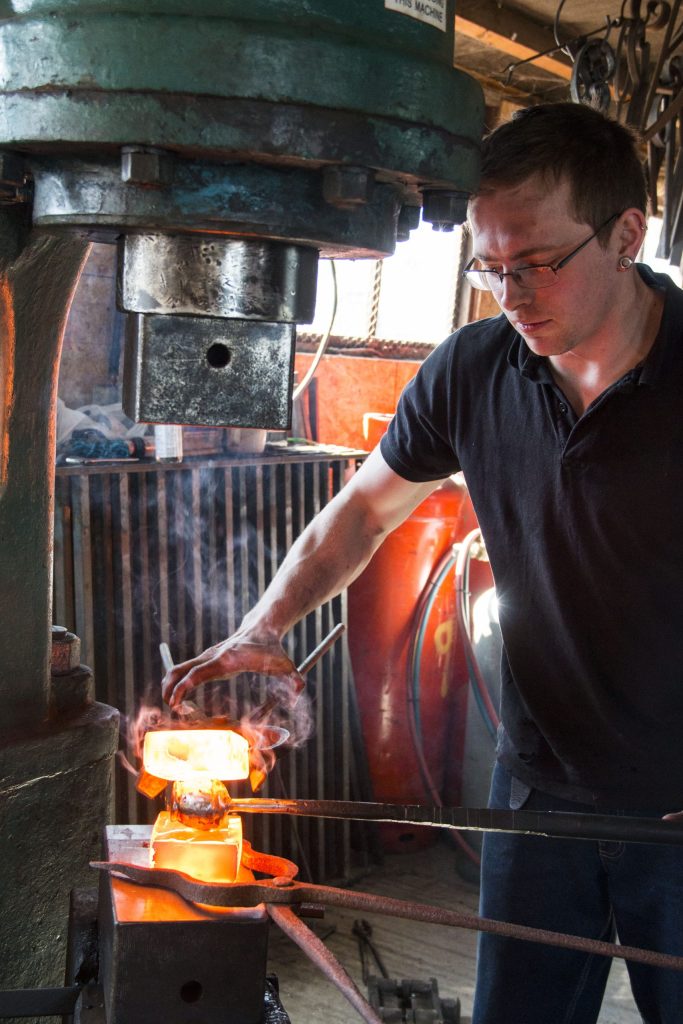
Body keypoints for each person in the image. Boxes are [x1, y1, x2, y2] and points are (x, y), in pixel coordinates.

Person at [162, 102, 683, 1023]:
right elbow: (362, 510)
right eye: (488, 270)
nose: (511, 295)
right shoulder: (473, 368)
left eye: (537, 264)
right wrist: (263, 626)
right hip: (533, 791)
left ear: (626, 235)